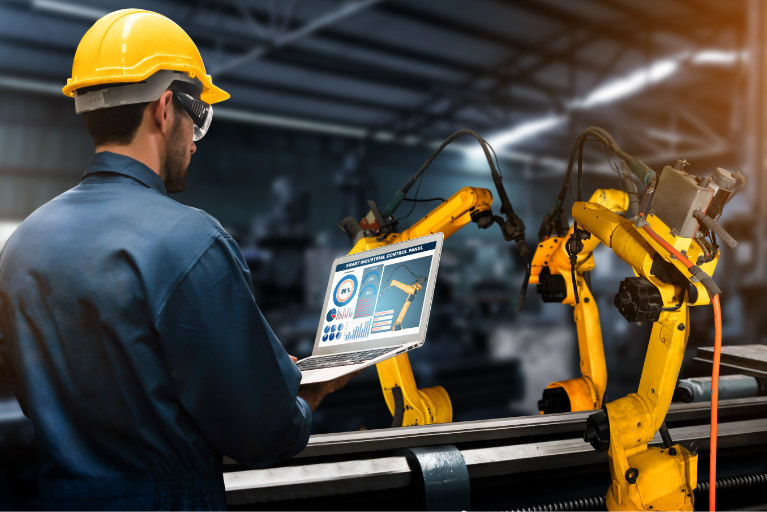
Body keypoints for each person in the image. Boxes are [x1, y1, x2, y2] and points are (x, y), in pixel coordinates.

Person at [0, 8, 354, 510]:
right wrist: (303, 396)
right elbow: (261, 432)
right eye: (196, 120)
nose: (194, 142)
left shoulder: (22, 246)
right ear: (165, 109)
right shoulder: (190, 241)